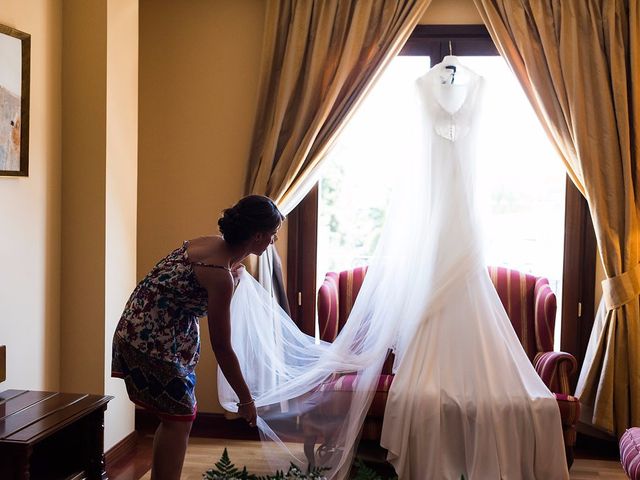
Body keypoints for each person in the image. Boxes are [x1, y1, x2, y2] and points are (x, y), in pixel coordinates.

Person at [111, 194, 284, 480]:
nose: (273, 241)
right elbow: (223, 346)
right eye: (272, 234)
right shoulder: (219, 275)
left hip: (143, 330)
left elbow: (186, 285)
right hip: (150, 344)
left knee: (176, 419)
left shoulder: (212, 245)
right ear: (256, 236)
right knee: (179, 420)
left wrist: (233, 274)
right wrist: (246, 399)